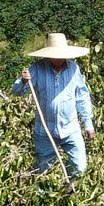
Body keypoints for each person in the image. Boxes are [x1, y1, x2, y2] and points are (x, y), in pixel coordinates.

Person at [11, 33, 94, 182]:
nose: (58, 58)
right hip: (45, 131)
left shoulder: (73, 69)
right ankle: (39, 198)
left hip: (70, 129)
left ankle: (70, 194)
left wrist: (88, 123)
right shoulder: (36, 68)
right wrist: (23, 81)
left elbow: (82, 96)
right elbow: (16, 92)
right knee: (42, 172)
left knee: (79, 169)